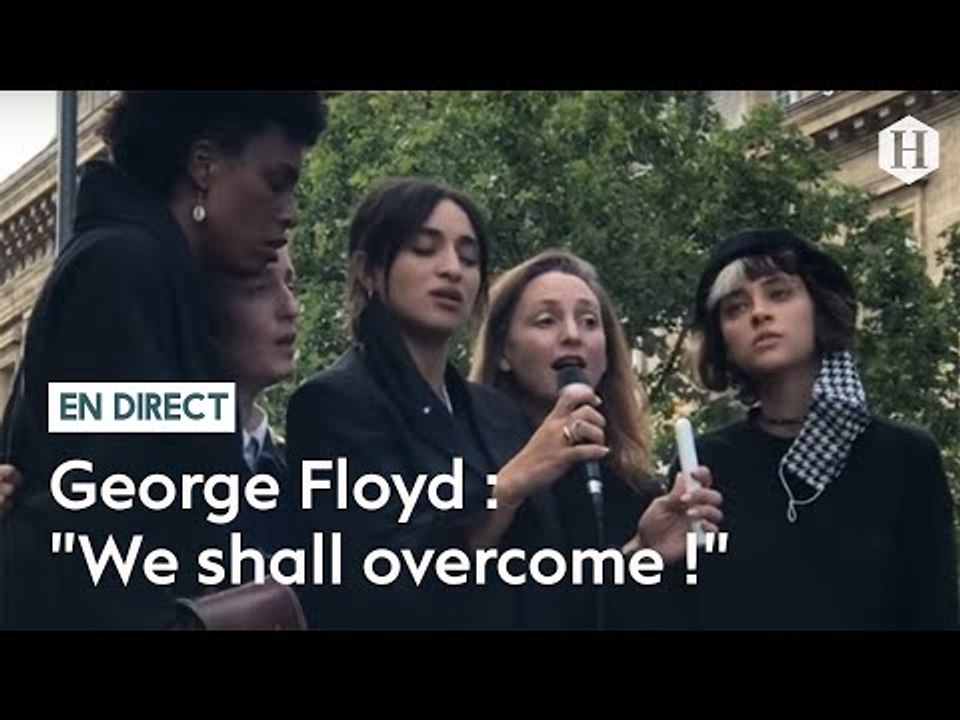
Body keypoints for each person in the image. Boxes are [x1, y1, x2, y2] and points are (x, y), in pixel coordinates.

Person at [286, 177, 720, 630]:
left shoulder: (493, 414)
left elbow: (542, 595)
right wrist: (505, 489)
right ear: (368, 269)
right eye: (424, 249)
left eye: (469, 257)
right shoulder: (332, 405)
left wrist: (638, 554)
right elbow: (371, 590)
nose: (452, 269)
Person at [0, 91, 327, 629]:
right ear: (204, 166)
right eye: (277, 181)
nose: (289, 212)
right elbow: (114, 517)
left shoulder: (149, 272)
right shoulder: (123, 268)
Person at [682, 227, 959, 629]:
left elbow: (933, 611)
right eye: (735, 308)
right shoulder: (702, 468)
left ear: (819, 306)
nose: (759, 313)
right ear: (722, 339)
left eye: (779, 293)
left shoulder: (904, 458)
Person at [469, 249, 721, 629]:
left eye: (589, 321)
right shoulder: (466, 468)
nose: (572, 335)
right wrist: (514, 485)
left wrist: (641, 553)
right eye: (546, 320)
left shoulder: (635, 489)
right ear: (504, 350)